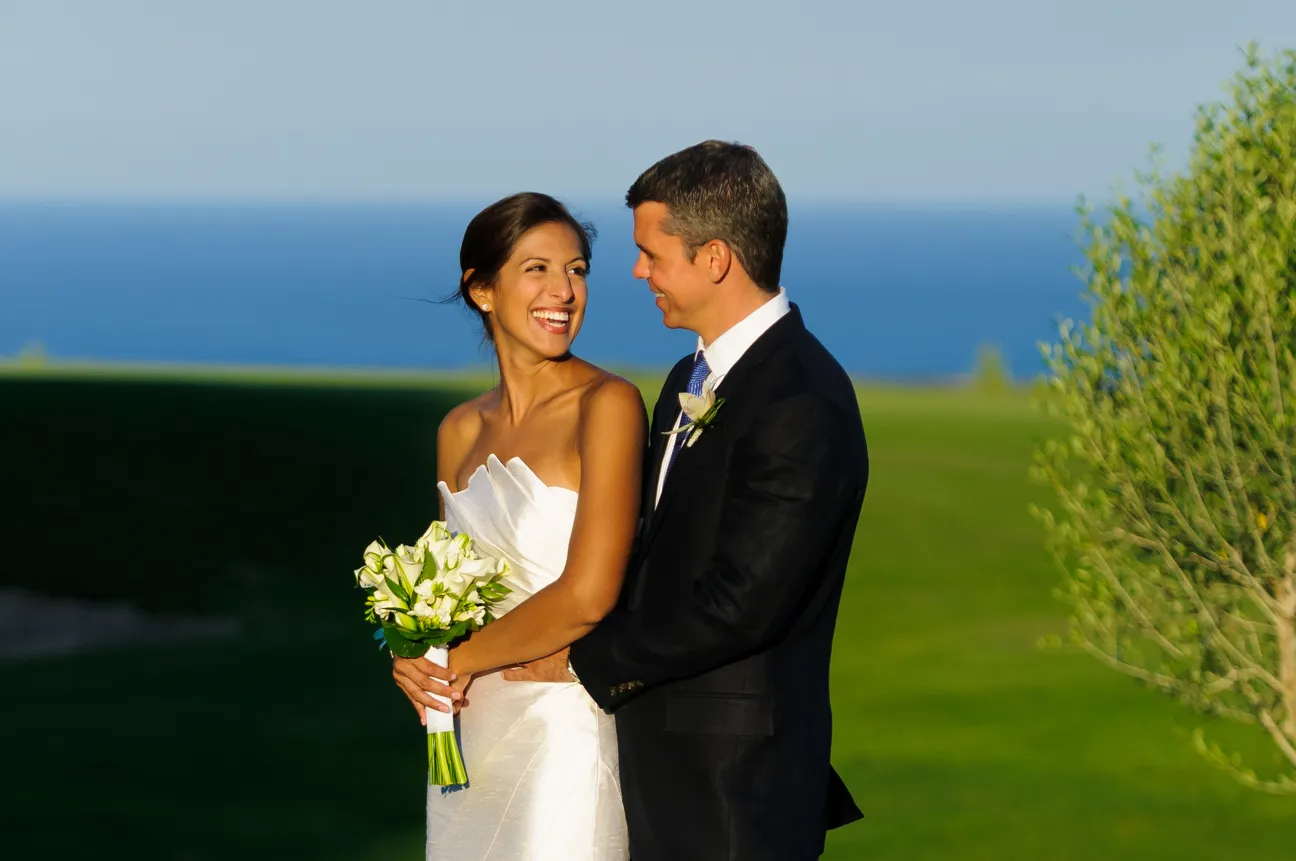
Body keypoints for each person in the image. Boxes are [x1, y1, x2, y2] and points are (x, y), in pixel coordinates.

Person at [391, 191, 644, 861]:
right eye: (537, 268)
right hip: (469, 737)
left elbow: (589, 593)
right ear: (482, 289)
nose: (564, 290)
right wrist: (415, 651)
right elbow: (450, 595)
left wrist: (454, 663)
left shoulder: (608, 404)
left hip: (567, 730)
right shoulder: (458, 430)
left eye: (579, 270)